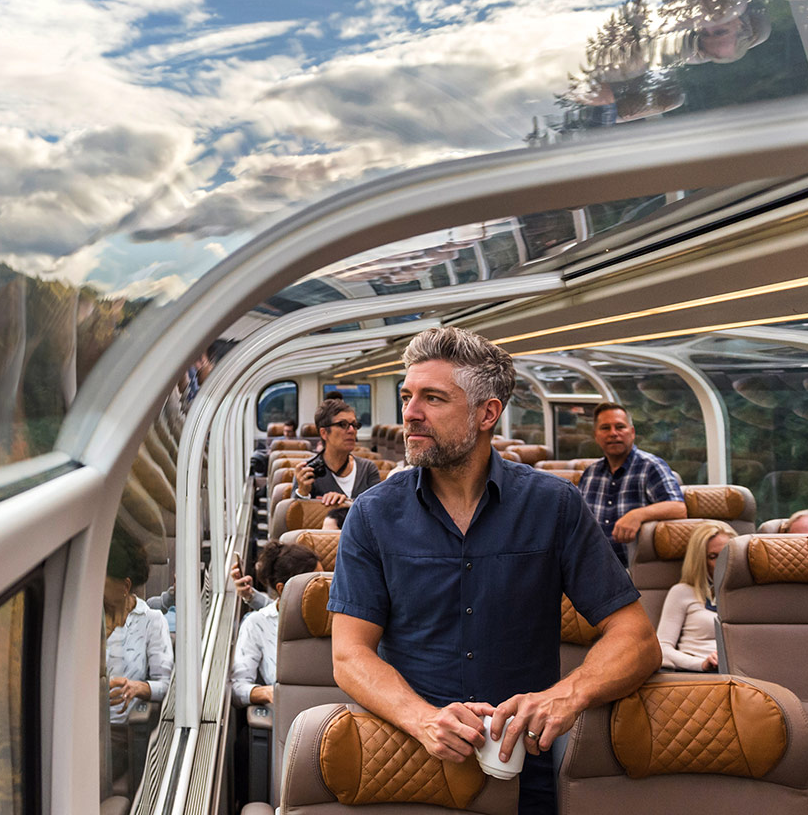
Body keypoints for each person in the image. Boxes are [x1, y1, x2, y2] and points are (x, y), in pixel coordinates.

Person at [328, 327, 660, 815]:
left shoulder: (553, 506)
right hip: (408, 765)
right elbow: (349, 655)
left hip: (526, 768)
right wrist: (422, 719)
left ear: (487, 413)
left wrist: (565, 696)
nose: (410, 413)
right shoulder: (373, 514)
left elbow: (637, 638)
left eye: (433, 398)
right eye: (406, 396)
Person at [576, 402, 687, 566]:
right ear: (596, 436)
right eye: (605, 428)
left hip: (635, 569)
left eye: (620, 427)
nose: (613, 433)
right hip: (593, 565)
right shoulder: (590, 473)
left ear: (632, 432)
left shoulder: (650, 467)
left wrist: (637, 515)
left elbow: (678, 508)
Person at [105, 533, 171, 783]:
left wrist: (137, 688)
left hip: (119, 733)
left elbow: (166, 685)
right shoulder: (87, 615)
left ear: (124, 586)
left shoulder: (151, 620)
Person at [231, 542, 322, 707]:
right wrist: (268, 692)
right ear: (282, 589)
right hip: (290, 709)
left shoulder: (336, 617)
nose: (325, 588)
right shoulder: (258, 624)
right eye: (315, 584)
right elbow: (237, 687)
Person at [656, 523, 731, 672]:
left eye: (726, 555)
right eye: (713, 557)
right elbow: (662, 649)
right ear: (700, 562)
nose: (723, 563)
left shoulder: (747, 597)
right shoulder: (682, 592)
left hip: (741, 674)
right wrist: (701, 664)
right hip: (697, 673)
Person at [293, 399, 381, 509]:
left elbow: (378, 510)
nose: (352, 430)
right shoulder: (307, 471)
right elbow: (296, 513)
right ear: (324, 433)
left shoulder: (367, 469)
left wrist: (346, 502)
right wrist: (303, 492)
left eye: (354, 425)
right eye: (343, 425)